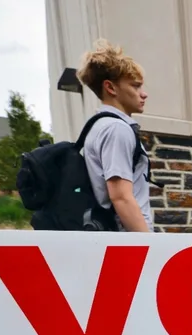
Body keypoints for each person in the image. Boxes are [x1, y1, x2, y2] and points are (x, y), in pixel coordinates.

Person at [77, 40, 153, 232]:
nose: (144, 94)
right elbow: (121, 197)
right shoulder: (116, 129)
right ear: (111, 88)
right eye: (135, 86)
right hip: (128, 241)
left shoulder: (99, 125)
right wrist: (151, 248)